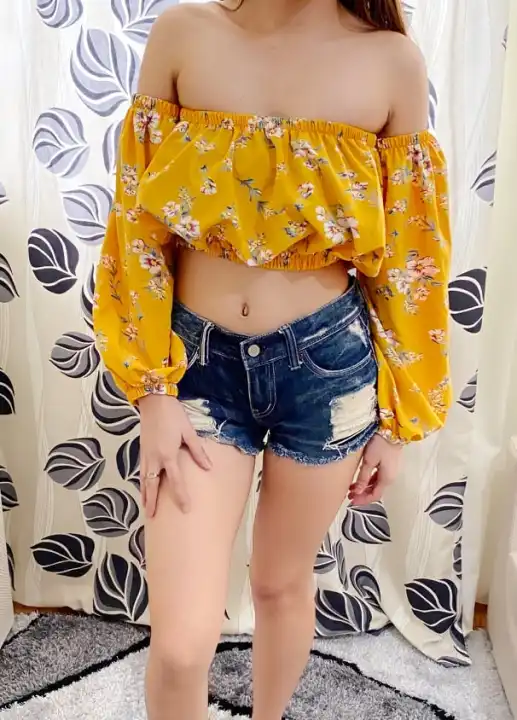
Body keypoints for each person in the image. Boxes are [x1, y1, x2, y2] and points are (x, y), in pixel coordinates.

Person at [93, 0, 452, 717]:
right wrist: (152, 392)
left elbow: (413, 262)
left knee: (281, 585)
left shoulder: (391, 62)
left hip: (328, 371)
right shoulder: (184, 35)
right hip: (196, 369)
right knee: (181, 644)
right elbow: (135, 227)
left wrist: (399, 423)